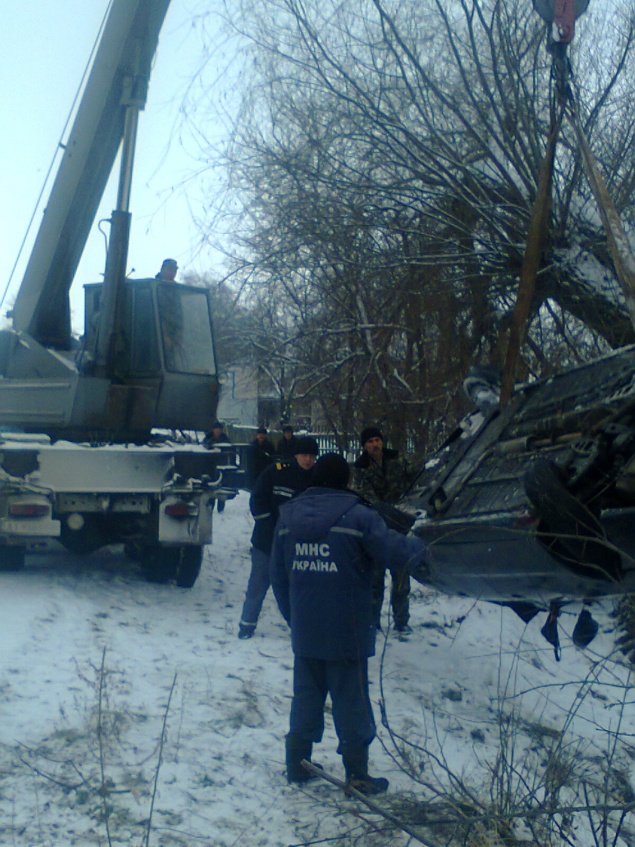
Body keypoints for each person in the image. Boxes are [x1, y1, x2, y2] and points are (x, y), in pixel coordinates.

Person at [270, 453, 428, 794]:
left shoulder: (286, 518)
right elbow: (399, 553)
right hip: (347, 628)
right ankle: (357, 775)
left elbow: (277, 577)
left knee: (306, 695)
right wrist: (424, 543)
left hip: (306, 628)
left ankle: (297, 763)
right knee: (352, 700)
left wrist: (294, 618)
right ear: (346, 482)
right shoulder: (360, 517)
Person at [238, 436, 319, 640]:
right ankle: (247, 625)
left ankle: (298, 627)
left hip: (299, 544)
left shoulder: (318, 478)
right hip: (267, 541)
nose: (308, 460)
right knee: (258, 584)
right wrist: (267, 526)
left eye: (312, 456)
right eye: (304, 455)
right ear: (296, 455)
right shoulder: (277, 471)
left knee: (297, 588)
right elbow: (257, 498)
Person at [352, 426, 419, 634]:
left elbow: (414, 481)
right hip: (376, 528)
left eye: (377, 440)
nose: (375, 444)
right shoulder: (360, 468)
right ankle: (372, 622)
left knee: (401, 579)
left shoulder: (397, 461)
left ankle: (401, 621)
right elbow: (368, 499)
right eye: (370, 441)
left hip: (399, 526)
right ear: (364, 446)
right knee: (375, 580)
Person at [203, 422, 232, 512]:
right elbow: (203, 447)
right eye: (216, 429)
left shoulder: (226, 439)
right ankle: (211, 504)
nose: (218, 431)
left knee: (221, 485)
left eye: (219, 430)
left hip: (221, 464)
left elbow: (230, 450)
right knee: (210, 485)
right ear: (213, 430)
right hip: (209, 465)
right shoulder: (208, 438)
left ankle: (221, 504)